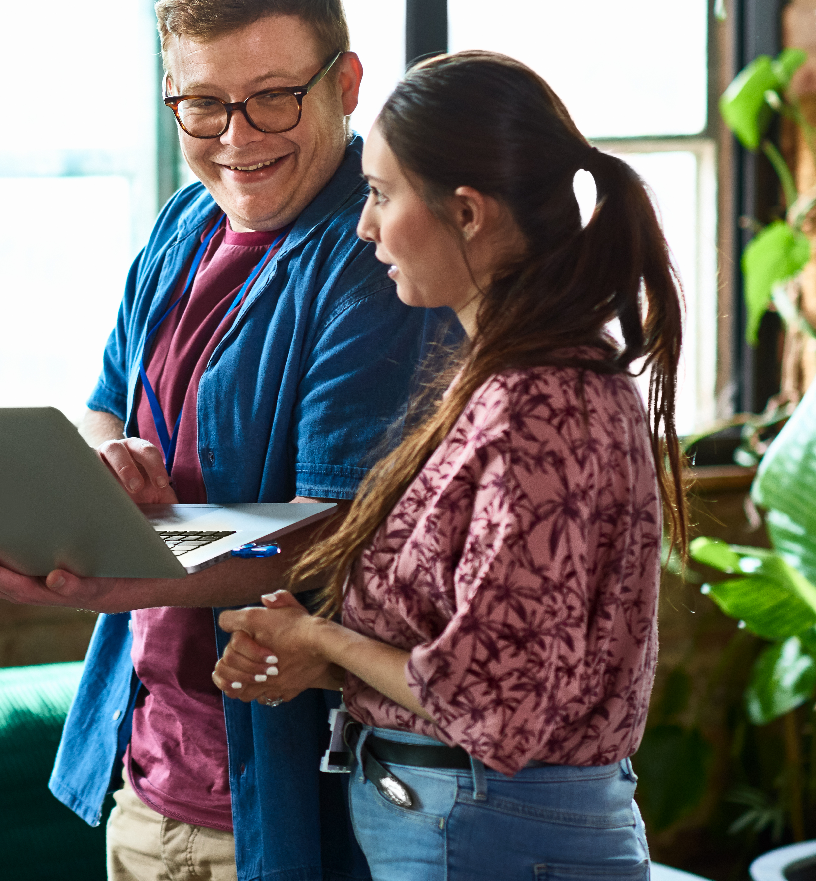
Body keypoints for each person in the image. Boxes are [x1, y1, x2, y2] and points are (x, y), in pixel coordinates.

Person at [0, 0, 451, 881]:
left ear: (348, 84)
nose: (237, 136)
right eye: (204, 102)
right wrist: (109, 459)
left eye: (274, 96)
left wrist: (99, 583)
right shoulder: (184, 223)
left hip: (295, 791)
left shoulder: (377, 256)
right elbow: (101, 408)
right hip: (150, 772)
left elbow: (330, 535)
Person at [213, 50, 685, 879]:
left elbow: (496, 709)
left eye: (381, 195)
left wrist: (319, 634)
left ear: (467, 213)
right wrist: (320, 657)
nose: (365, 228)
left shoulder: (543, 408)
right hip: (472, 826)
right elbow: (485, 650)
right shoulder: (513, 382)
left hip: (489, 832)